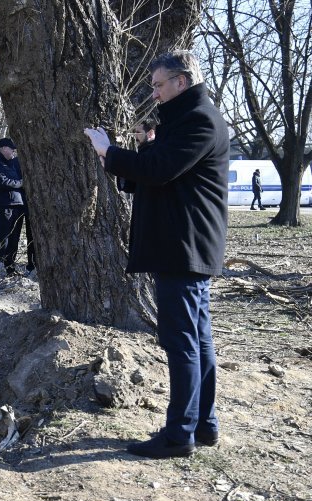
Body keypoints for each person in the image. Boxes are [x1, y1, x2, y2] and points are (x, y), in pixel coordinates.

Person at [84, 49, 229, 459]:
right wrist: (142, 151)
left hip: (183, 246)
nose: (155, 93)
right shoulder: (183, 120)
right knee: (197, 340)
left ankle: (179, 434)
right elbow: (160, 173)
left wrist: (107, 152)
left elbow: (160, 171)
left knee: (182, 341)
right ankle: (203, 424)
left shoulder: (199, 119)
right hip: (182, 244)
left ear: (181, 81)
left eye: (159, 85)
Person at [0, 137, 27, 275]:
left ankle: (10, 266)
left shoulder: (13, 164)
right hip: (4, 207)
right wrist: (20, 183)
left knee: (14, 239)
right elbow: (3, 181)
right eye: (12, 149)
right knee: (3, 238)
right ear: (3, 148)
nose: (14, 152)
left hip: (18, 206)